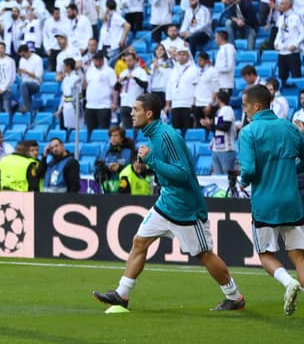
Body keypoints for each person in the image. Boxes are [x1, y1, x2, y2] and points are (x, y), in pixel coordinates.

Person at [93, 93, 246, 311]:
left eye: (135, 109)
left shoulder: (166, 137)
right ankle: (122, 294)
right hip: (167, 201)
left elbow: (183, 174)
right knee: (140, 241)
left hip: (185, 207)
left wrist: (151, 160)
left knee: (204, 254)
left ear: (149, 113)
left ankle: (235, 297)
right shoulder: (153, 135)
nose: (131, 113)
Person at [237, 84, 304, 319]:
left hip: (265, 203)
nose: (244, 110)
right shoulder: (290, 128)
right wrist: (288, 169)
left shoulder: (248, 132)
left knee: (265, 255)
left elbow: (250, 169)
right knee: (298, 255)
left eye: (245, 106)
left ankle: (288, 283)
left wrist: (244, 180)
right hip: (291, 202)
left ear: (256, 106)